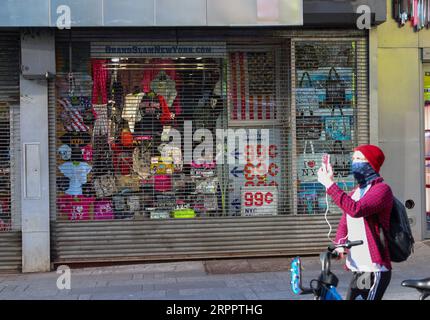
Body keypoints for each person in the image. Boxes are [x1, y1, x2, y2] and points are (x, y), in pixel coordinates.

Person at [317, 144, 393, 300]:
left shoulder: (382, 190)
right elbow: (346, 220)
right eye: (353, 159)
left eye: (359, 159)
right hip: (360, 267)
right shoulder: (356, 191)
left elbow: (356, 210)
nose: (354, 163)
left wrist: (330, 184)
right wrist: (340, 244)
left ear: (371, 164)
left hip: (374, 268)